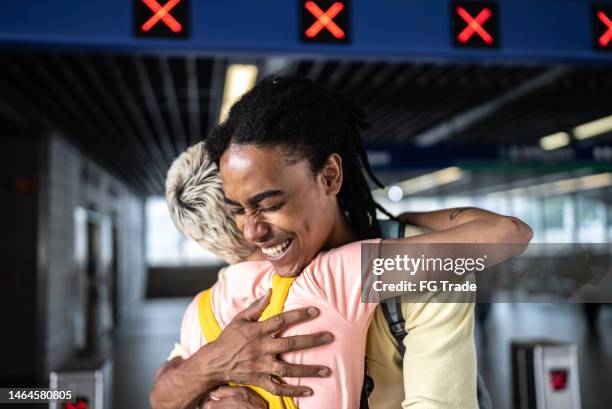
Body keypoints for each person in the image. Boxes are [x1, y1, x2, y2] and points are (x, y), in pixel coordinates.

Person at [150, 76, 533, 409]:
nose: (252, 232)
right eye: (238, 210)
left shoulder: (414, 272)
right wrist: (215, 363)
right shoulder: (244, 285)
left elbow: (509, 235)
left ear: (330, 176)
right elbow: (163, 394)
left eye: (270, 204)